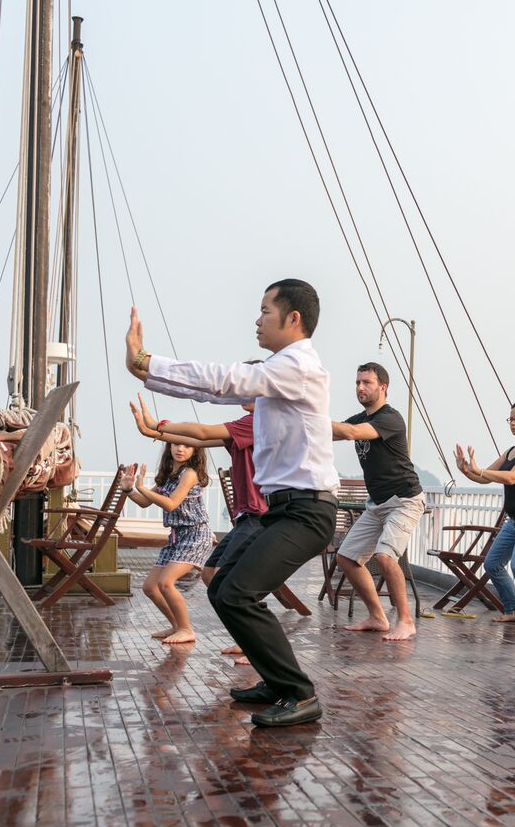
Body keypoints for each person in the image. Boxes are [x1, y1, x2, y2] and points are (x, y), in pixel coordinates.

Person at [124, 278, 340, 728]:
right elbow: (213, 391)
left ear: (293, 318)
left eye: (265, 311)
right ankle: (277, 681)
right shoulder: (279, 377)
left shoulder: (297, 366)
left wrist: (147, 361)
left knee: (238, 592)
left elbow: (226, 379)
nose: (257, 320)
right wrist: (148, 375)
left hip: (307, 511)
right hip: (284, 510)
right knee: (224, 589)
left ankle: (299, 694)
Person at [129, 393, 265, 664]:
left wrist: (157, 426)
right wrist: (154, 432)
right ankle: (192, 628)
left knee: (224, 584)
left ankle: (246, 642)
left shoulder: (256, 424)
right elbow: (196, 439)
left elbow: (200, 435)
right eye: (175, 445)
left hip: (227, 525)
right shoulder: (245, 424)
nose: (179, 448)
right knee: (187, 579)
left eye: (248, 388)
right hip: (222, 523)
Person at [331, 362, 426, 642]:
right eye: (358, 382)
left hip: (405, 500)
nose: (360, 387)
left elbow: (351, 433)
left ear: (382, 387)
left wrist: (314, 420)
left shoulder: (390, 418)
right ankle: (377, 616)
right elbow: (338, 431)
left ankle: (406, 621)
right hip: (378, 503)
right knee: (346, 558)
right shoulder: (360, 417)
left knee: (385, 556)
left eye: (367, 383)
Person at [454, 400, 515, 630]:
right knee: (493, 563)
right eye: (511, 419)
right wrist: (466, 470)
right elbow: (485, 477)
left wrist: (478, 469)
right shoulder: (510, 451)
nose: (513, 423)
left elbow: (512, 477)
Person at [118, 442, 212, 645]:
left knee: (166, 583)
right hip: (177, 537)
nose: (180, 449)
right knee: (150, 587)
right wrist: (129, 490)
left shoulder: (189, 474)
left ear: (195, 451)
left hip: (195, 535)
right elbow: (144, 502)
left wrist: (142, 487)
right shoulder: (169, 475)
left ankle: (187, 629)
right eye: (176, 444)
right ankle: (177, 626)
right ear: (169, 448)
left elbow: (171, 504)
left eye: (187, 446)